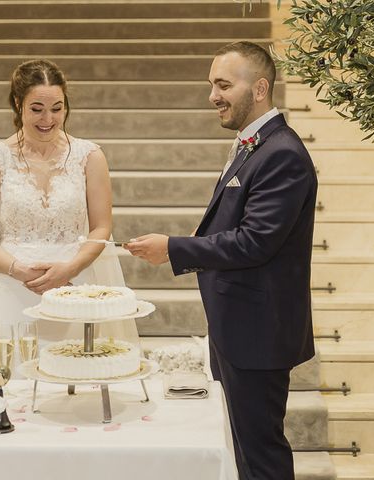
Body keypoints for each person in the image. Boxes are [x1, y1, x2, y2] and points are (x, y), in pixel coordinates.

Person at [125, 42, 317, 480]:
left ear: (261, 88)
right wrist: (199, 239)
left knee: (262, 456)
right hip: (241, 327)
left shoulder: (281, 153)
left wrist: (174, 248)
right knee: (247, 453)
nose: (213, 95)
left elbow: (255, 243)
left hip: (259, 332)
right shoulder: (256, 146)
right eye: (212, 84)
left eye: (224, 85)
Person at [0, 59, 137, 375]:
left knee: (76, 374)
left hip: (74, 285)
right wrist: (18, 269)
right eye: (37, 109)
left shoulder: (89, 156)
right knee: (15, 378)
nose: (48, 119)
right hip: (11, 285)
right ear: (18, 105)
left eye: (57, 108)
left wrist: (70, 268)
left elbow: (101, 226)